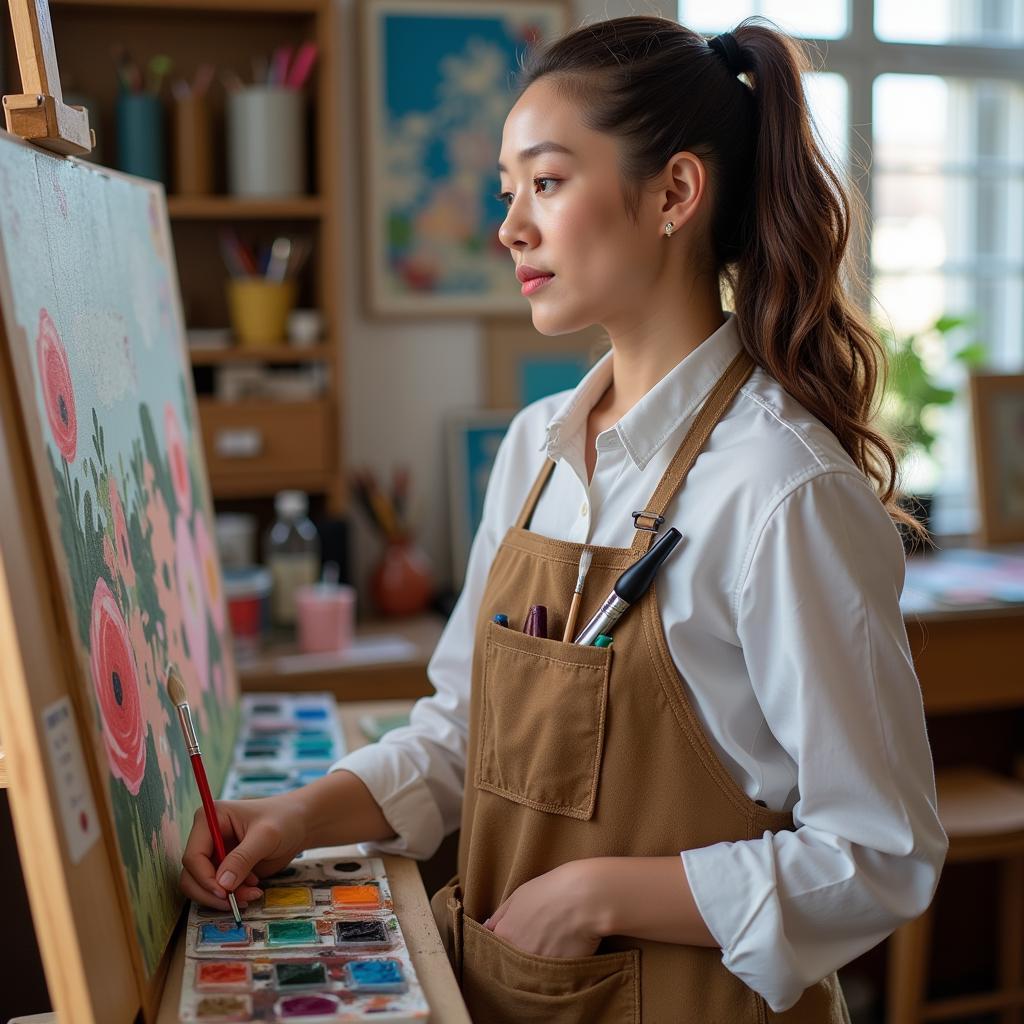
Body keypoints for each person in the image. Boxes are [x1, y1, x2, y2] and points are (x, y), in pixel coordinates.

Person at [181, 15, 948, 1022]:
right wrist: (297, 815)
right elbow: (463, 733)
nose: (509, 227)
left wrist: (600, 893)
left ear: (675, 192)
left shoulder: (782, 488)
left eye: (545, 182)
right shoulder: (538, 445)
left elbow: (879, 851)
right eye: (508, 190)